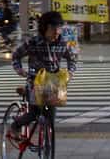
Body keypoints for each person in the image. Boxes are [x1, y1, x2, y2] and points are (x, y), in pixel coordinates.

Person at [8, 11, 77, 143]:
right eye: (53, 28)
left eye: (59, 28)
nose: (57, 32)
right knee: (34, 113)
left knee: (51, 117)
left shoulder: (63, 43)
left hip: (54, 83)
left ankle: (46, 146)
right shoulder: (33, 43)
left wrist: (70, 72)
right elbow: (16, 56)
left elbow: (72, 59)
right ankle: (15, 125)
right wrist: (20, 70)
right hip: (35, 82)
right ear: (45, 27)